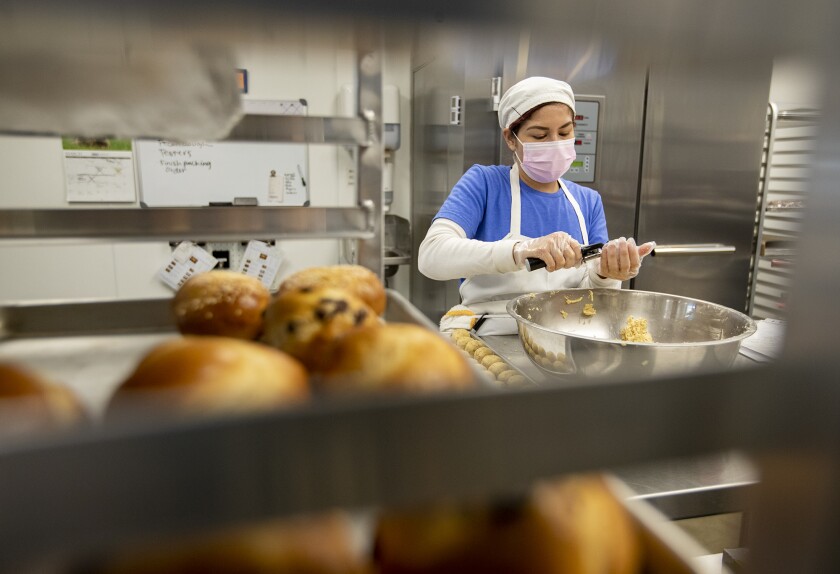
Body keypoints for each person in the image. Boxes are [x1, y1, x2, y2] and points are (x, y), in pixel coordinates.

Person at [418, 76, 655, 335]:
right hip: (490, 335)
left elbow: (595, 297)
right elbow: (432, 256)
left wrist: (609, 273)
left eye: (564, 132)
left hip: (566, 338)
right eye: (540, 135)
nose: (555, 142)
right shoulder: (485, 184)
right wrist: (521, 251)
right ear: (511, 138)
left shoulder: (588, 201)